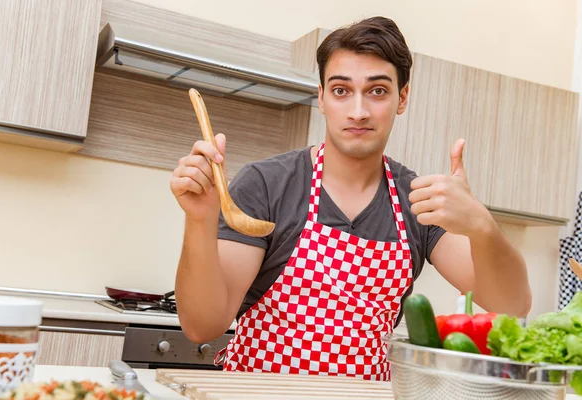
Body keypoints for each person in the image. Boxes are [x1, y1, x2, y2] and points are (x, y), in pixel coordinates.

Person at [169, 16, 532, 381]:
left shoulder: (417, 200)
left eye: (377, 91)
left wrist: (483, 226)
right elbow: (203, 326)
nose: (358, 111)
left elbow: (512, 306)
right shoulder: (266, 185)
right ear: (322, 97)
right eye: (342, 90)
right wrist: (199, 219)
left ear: (402, 98)